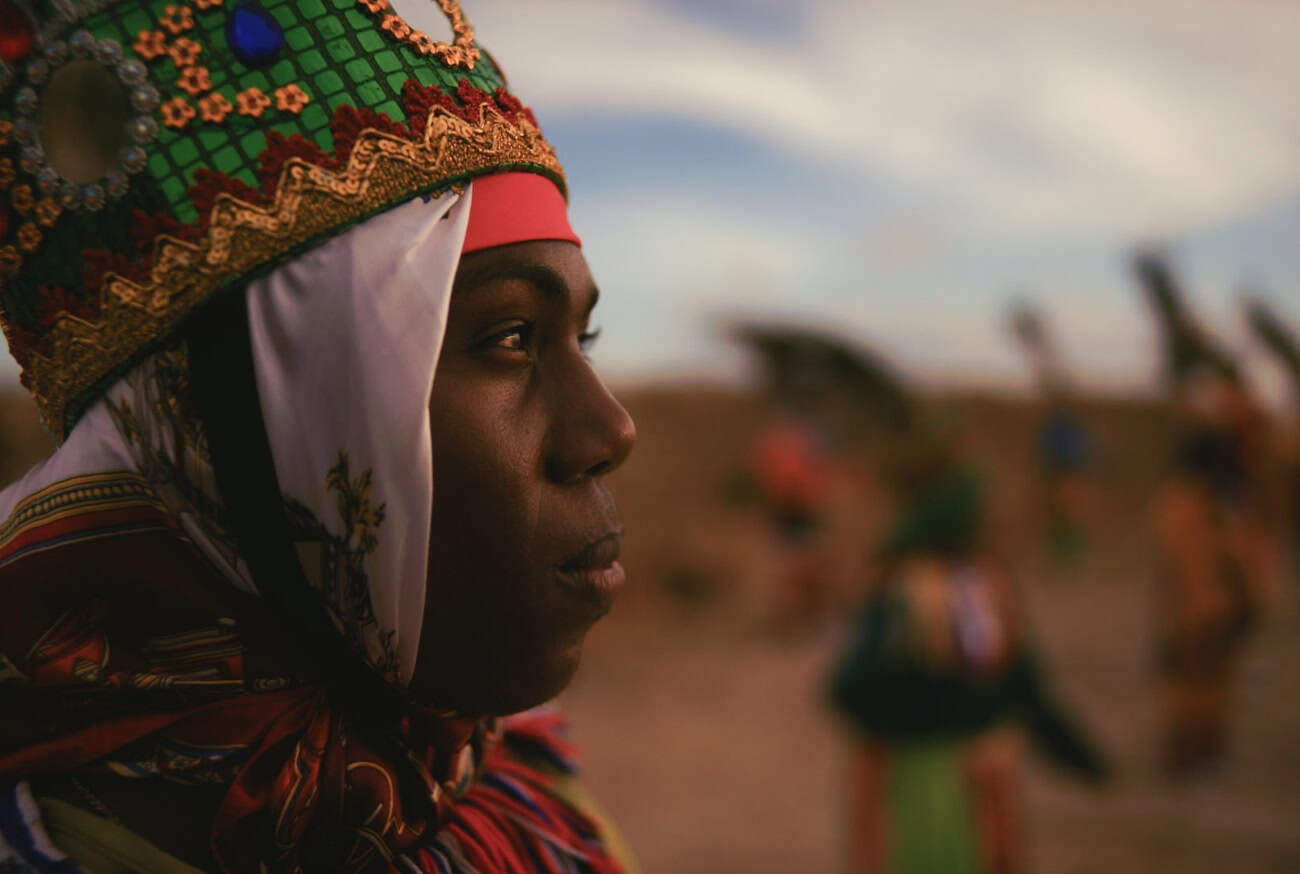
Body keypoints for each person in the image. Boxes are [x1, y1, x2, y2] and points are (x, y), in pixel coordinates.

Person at [0, 1, 636, 872]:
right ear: (236, 432)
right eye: (510, 337)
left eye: (582, 338)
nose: (610, 431)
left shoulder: (500, 784)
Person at [828, 434, 1108, 874]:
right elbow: (1014, 681)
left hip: (924, 779)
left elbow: (851, 688)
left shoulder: (919, 586)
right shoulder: (957, 591)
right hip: (949, 777)